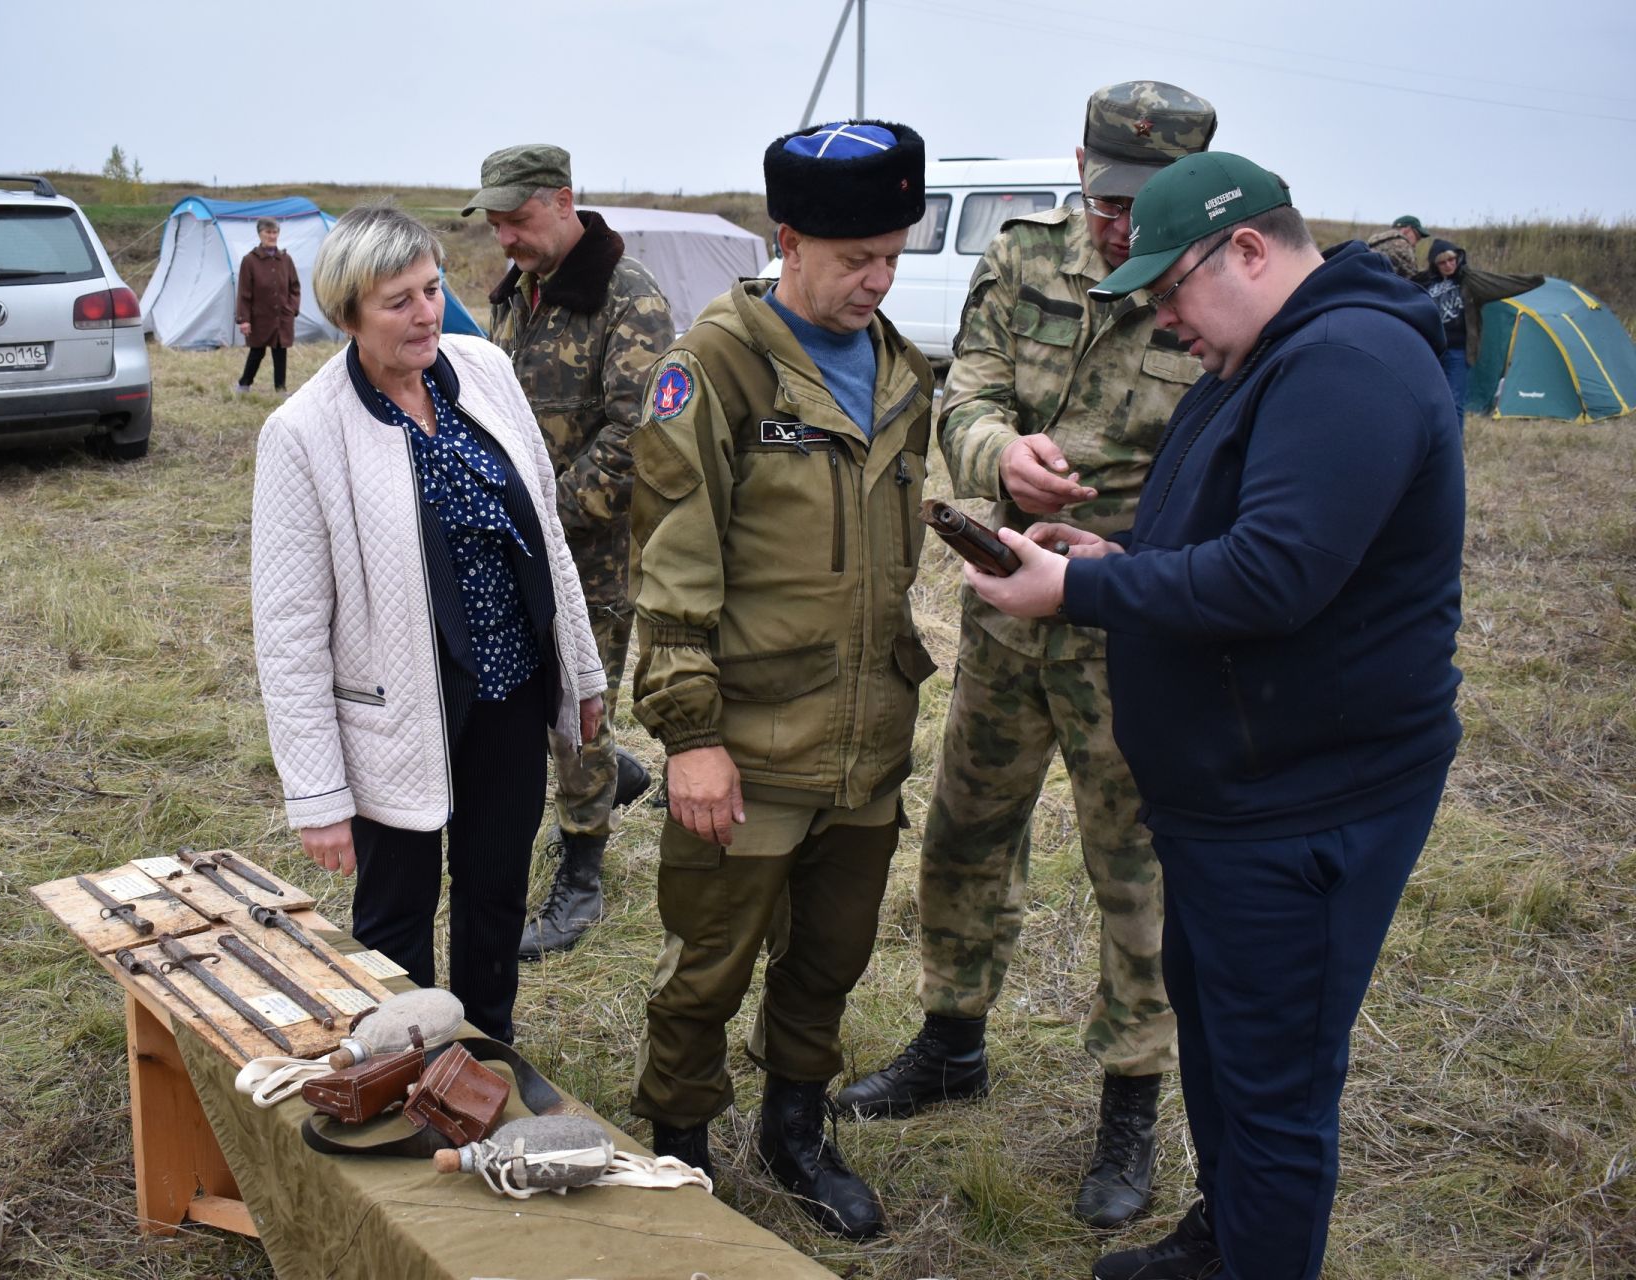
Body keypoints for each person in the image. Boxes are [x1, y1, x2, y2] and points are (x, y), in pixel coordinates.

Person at [965, 152, 1464, 1280]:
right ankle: (1224, 1239)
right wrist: (1118, 554)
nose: (1164, 317)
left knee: (1277, 1088)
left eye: (1171, 289)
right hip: (1236, 797)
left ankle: (1256, 1250)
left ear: (1248, 249)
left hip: (1305, 806)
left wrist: (1079, 590)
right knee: (1230, 1047)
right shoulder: (1270, 354)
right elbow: (1235, 541)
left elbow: (1276, 575)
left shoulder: (1350, 363)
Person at [835, 79, 1215, 1230]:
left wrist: (1126, 548)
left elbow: (1234, 477)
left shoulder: (1212, 285)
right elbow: (972, 389)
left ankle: (1132, 1100)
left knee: (1133, 865)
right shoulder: (1023, 256)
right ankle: (953, 1038)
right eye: (1105, 199)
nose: (1117, 227)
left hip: (1133, 622)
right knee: (966, 828)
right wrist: (1003, 452)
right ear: (1080, 167)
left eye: (1141, 207)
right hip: (1006, 606)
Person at [627, 120, 935, 1240]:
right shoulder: (714, 367)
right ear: (786, 238)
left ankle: (795, 1129)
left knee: (829, 960)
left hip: (865, 739)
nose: (878, 277)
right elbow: (670, 561)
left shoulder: (901, 366)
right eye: (856, 257)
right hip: (747, 742)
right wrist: (691, 735)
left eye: (893, 253)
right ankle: (677, 1144)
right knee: (707, 964)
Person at [249, 205, 606, 1045]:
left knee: (495, 890)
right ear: (347, 316)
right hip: (397, 711)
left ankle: (487, 1050)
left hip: (511, 689)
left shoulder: (483, 369)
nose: (425, 314)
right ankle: (400, 1064)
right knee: (396, 912)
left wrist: (581, 672)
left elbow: (546, 528)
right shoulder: (303, 432)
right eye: (397, 301)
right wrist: (318, 795)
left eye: (432, 289)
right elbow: (290, 627)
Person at [462, 144, 676, 959]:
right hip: (520, 532)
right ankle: (611, 776)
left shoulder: (630, 299)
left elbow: (639, 436)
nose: (504, 237)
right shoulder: (521, 290)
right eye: (495, 223)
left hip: (595, 549)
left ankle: (581, 874)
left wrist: (548, 516)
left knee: (575, 703)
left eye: (517, 220)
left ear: (563, 201)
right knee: (526, 691)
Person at [1415, 237, 1542, 412]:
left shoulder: (1470, 281)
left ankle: (1454, 440)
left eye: (1451, 260)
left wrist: (1534, 281)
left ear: (1458, 258)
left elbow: (1501, 284)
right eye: (1442, 262)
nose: (1448, 265)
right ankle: (1432, 438)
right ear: (1435, 265)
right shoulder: (1424, 283)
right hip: (1432, 350)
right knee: (1430, 399)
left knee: (1455, 402)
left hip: (1458, 350)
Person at [234, 217, 302, 396]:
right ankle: (244, 385)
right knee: (257, 352)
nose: (272, 236)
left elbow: (294, 287)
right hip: (259, 317)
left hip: (282, 317)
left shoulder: (285, 259)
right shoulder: (249, 260)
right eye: (268, 232)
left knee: (280, 354)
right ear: (260, 234)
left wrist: (292, 308)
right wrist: (244, 320)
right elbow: (244, 292)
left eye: (275, 232)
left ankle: (280, 389)